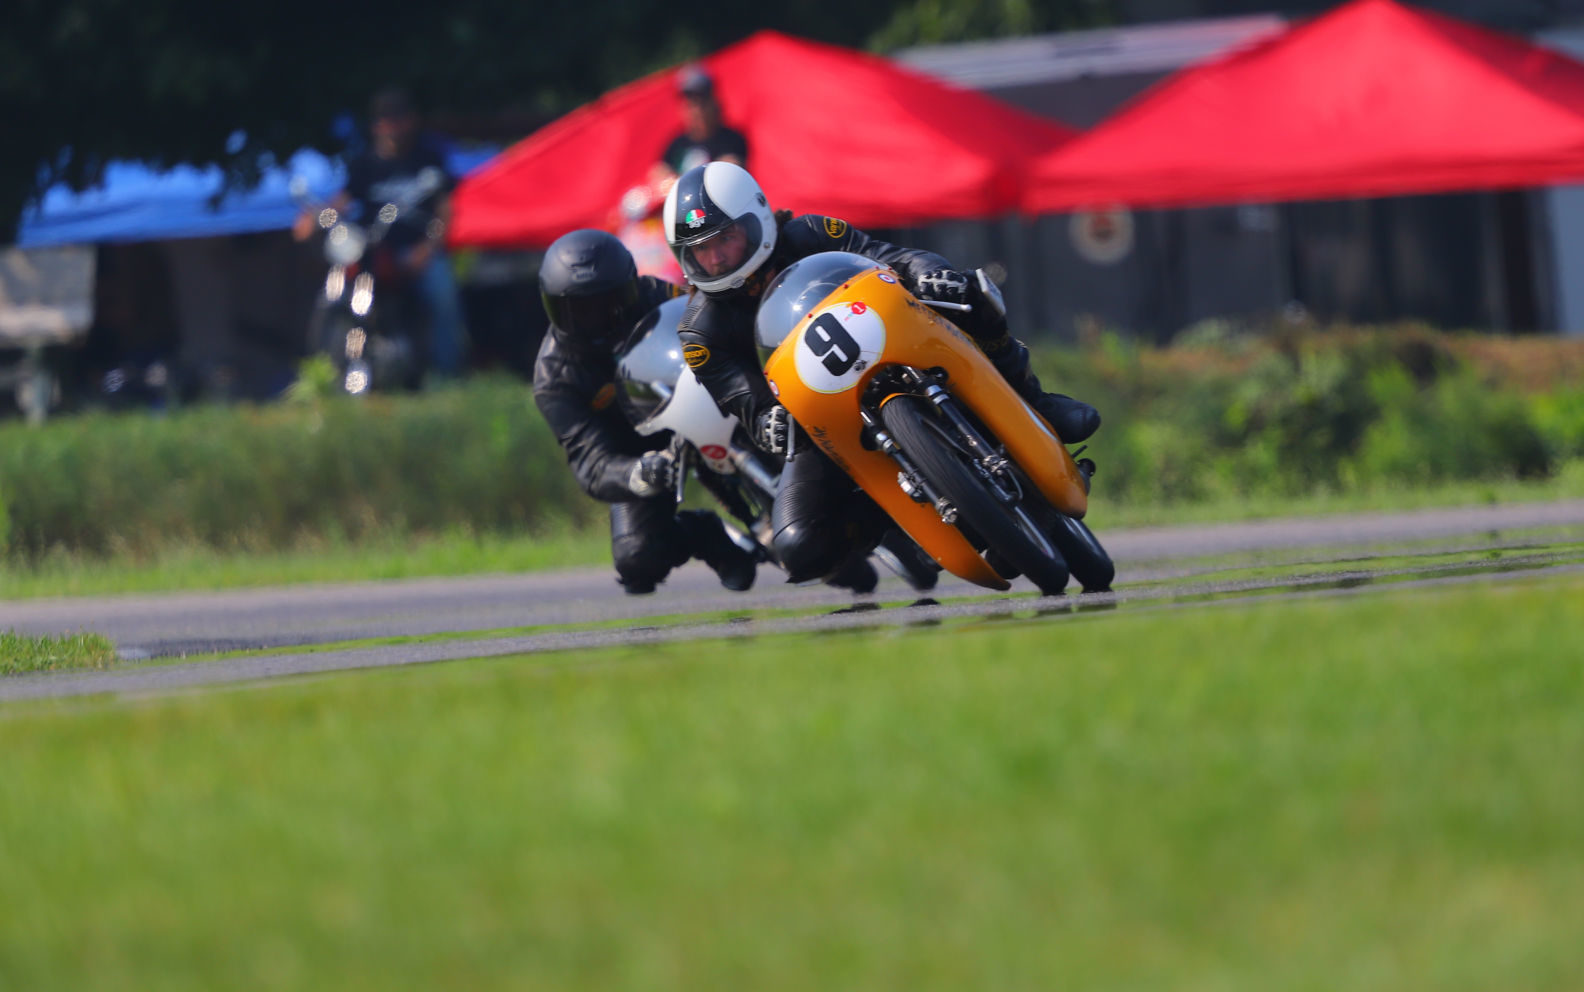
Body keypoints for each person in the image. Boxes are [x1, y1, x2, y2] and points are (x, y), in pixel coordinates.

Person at [664, 161, 1101, 585]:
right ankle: (892, 517)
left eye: (726, 238)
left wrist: (930, 273)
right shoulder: (700, 334)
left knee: (971, 293)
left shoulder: (811, 232)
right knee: (800, 546)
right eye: (702, 248)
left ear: (755, 220)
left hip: (891, 339)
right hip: (820, 415)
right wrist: (767, 422)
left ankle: (1035, 401)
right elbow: (747, 403)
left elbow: (887, 258)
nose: (717, 257)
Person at [534, 228, 759, 595]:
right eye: (581, 310)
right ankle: (704, 534)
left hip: (702, 400)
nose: (599, 319)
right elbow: (591, 463)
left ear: (631, 288)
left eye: (610, 302)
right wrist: (637, 473)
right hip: (641, 450)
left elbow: (724, 326)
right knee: (637, 561)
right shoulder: (554, 380)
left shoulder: (659, 296)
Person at [293, 87, 467, 377]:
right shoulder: (364, 164)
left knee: (443, 295)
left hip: (418, 251)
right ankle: (328, 370)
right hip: (374, 252)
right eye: (385, 120)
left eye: (397, 120)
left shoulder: (428, 159)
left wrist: (427, 248)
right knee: (333, 292)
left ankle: (448, 374)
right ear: (376, 125)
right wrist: (316, 217)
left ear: (411, 121)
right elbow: (344, 201)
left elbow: (444, 211)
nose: (391, 128)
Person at [660, 65, 748, 178]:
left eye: (702, 103)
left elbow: (732, 169)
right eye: (691, 104)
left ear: (714, 102)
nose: (697, 110)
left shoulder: (732, 140)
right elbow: (661, 175)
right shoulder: (676, 145)